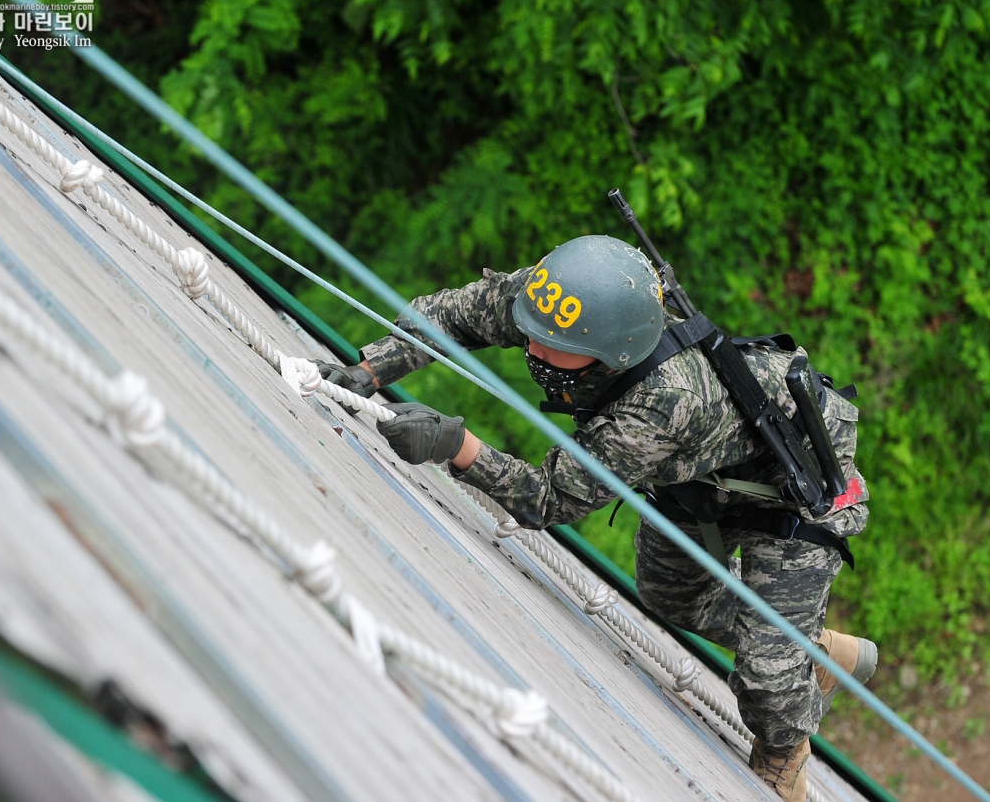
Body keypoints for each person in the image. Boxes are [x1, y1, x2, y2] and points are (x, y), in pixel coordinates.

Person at [319, 235, 875, 802]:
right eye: (532, 335)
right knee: (671, 597)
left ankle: (785, 750)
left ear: (613, 353)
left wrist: (456, 445)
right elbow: (451, 315)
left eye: (552, 346)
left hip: (794, 496)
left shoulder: (661, 405)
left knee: (768, 682)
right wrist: (370, 371)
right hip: (699, 475)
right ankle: (812, 649)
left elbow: (548, 499)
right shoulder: (557, 306)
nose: (535, 352)